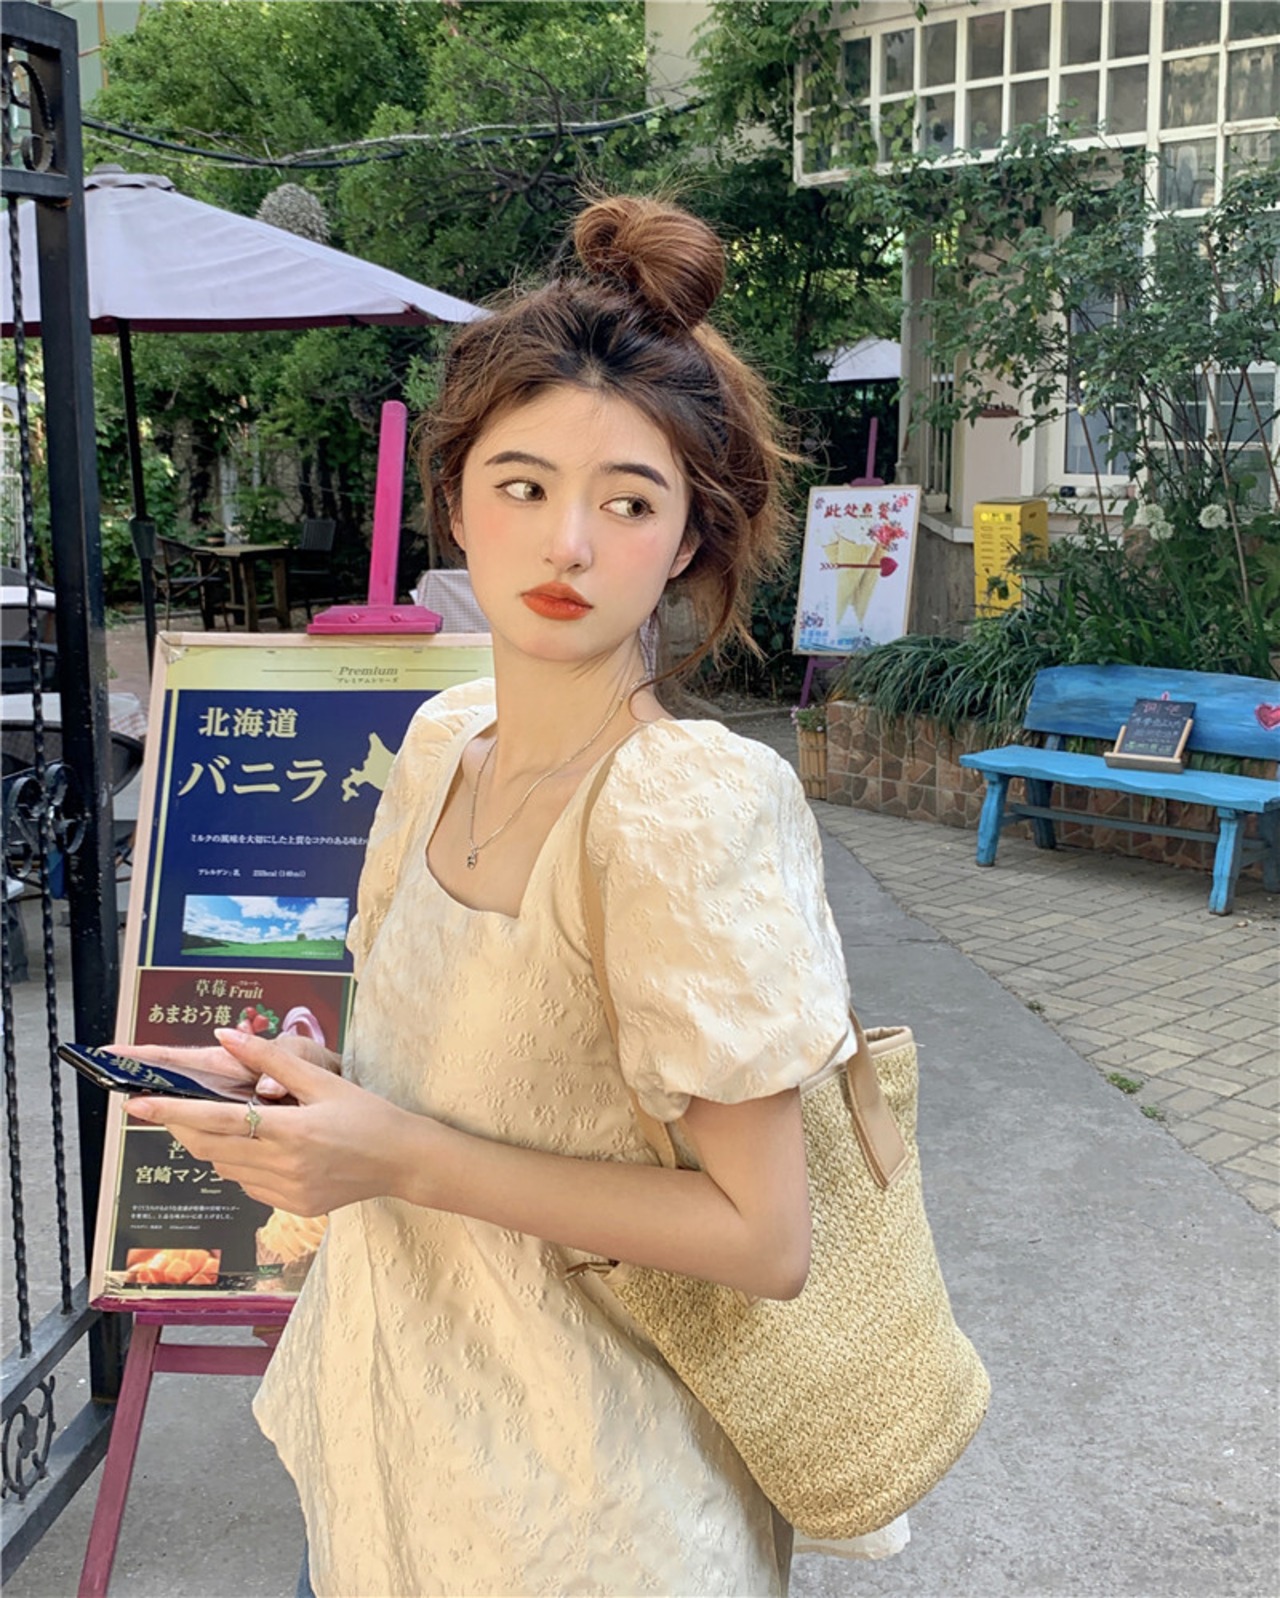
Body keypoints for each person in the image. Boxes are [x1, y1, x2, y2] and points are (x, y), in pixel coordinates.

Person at [126, 195, 859, 1598]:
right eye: (523, 487)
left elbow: (765, 1237)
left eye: (627, 501)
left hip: (589, 1524)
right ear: (457, 500)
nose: (567, 542)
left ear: (687, 540)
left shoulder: (686, 806)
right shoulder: (439, 744)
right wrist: (303, 1091)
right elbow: (460, 1080)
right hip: (380, 1472)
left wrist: (395, 1154)